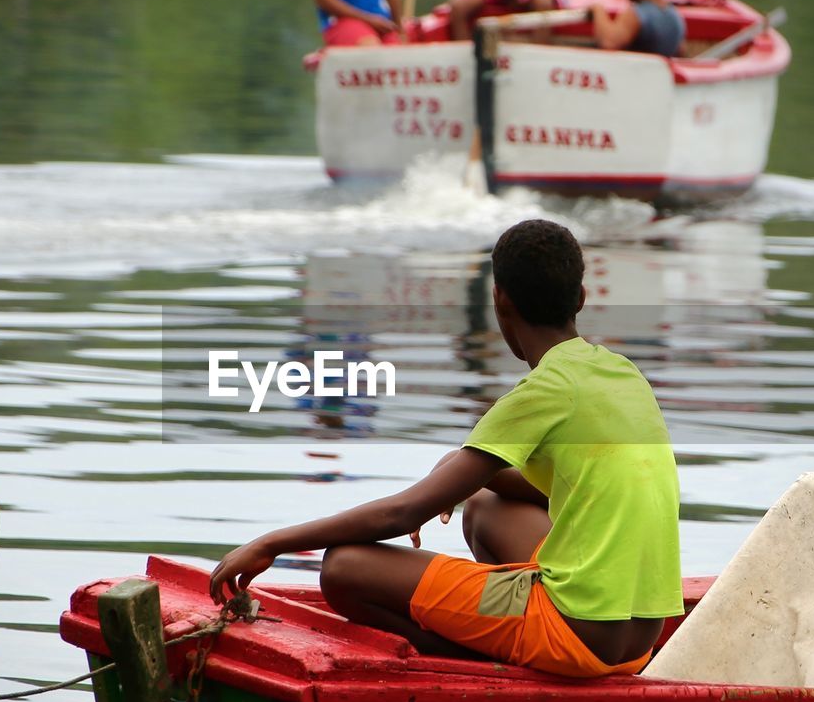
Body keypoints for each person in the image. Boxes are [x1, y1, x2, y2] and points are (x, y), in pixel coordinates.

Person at [210, 219, 683, 678]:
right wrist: (456, 474)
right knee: (481, 502)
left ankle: (471, 664)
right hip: (636, 641)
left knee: (343, 567)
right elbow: (581, 495)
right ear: (580, 298)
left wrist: (269, 543)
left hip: (572, 635)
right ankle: (509, 622)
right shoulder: (622, 374)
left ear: (499, 301)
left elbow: (400, 515)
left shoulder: (542, 392)